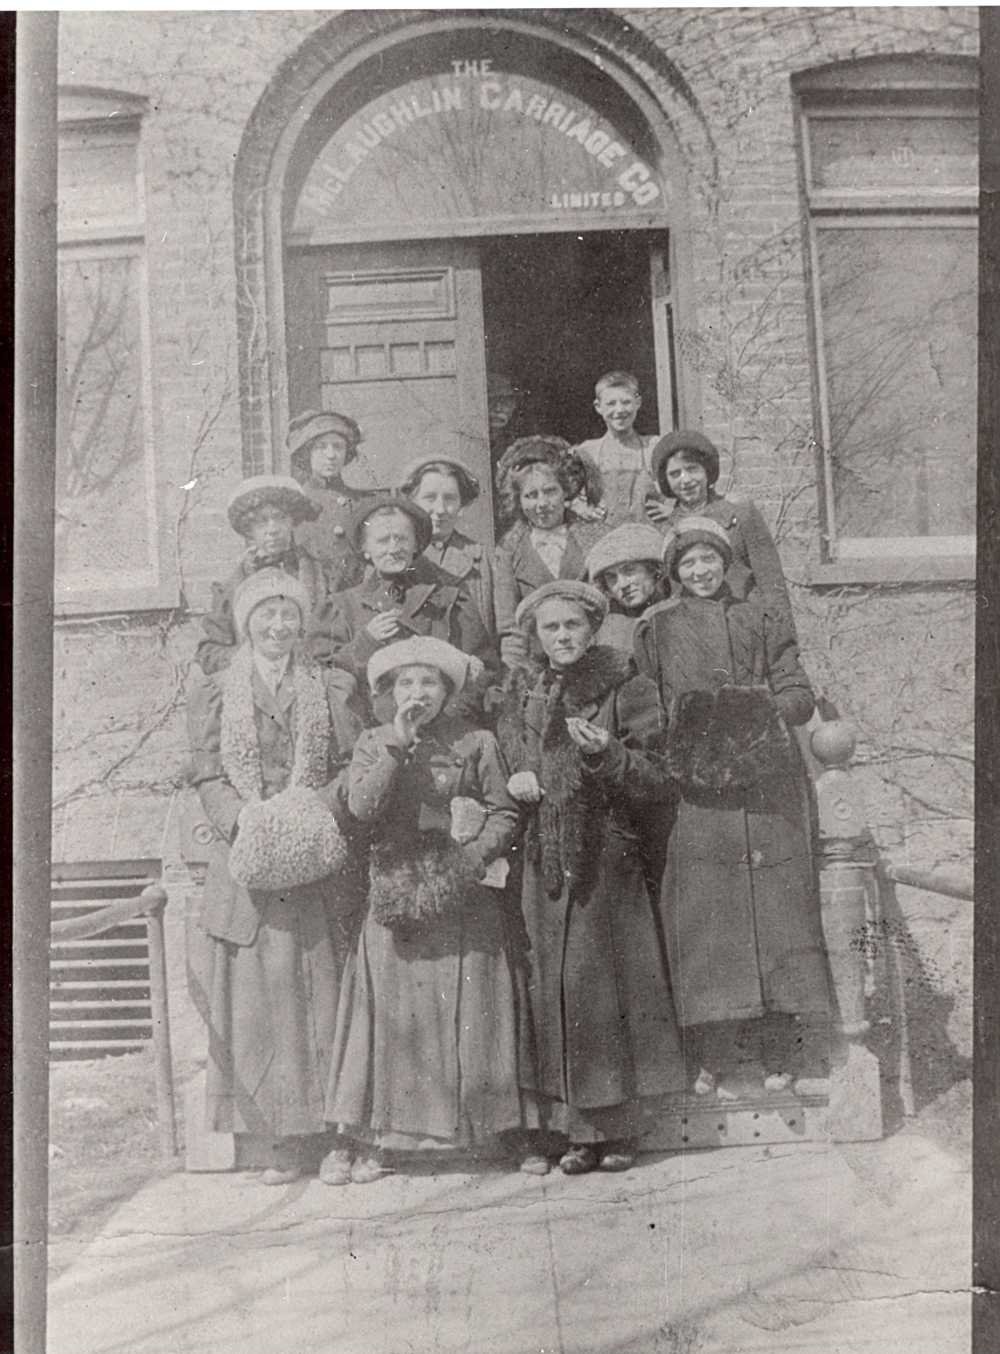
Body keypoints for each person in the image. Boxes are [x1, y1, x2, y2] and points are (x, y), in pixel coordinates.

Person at [322, 637, 536, 1183]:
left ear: (448, 690)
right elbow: (360, 810)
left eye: (429, 682)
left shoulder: (477, 741)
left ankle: (484, 1132)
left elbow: (504, 812)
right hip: (396, 892)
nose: (418, 693)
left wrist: (469, 861)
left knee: (470, 1012)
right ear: (389, 692)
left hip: (463, 892)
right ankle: (382, 1139)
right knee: (395, 1017)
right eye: (406, 683)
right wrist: (398, 743)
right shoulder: (374, 742)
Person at [634, 519, 834, 1099]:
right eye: (688, 564)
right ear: (674, 572)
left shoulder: (761, 617)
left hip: (767, 787)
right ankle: (713, 1057)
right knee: (709, 921)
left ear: (726, 564)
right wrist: (684, 731)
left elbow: (798, 691)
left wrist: (756, 709)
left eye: (709, 561)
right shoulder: (658, 628)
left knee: (775, 918)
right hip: (698, 796)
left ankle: (782, 1052)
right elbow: (645, 706)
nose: (700, 572)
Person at [496, 580, 685, 1175]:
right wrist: (522, 777)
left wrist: (608, 753)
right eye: (550, 629)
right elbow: (514, 755)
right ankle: (573, 1132)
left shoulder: (626, 687)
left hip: (606, 856)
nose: (562, 637)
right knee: (556, 988)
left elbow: (658, 777)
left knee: (604, 989)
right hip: (546, 857)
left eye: (572, 626)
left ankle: (619, 1128)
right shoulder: (526, 691)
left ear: (592, 628)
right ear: (537, 637)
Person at [186, 568, 367, 1184]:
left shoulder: (329, 687)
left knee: (323, 993)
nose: (279, 626)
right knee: (268, 1004)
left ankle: (336, 1136)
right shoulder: (215, 691)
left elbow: (347, 765)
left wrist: (311, 811)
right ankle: (284, 1140)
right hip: (249, 866)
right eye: (266, 615)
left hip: (314, 861)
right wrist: (244, 822)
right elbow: (207, 773)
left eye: (289, 614)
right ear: (245, 624)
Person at [307, 496, 498, 717]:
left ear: (416, 543)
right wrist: (365, 642)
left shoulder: (450, 600)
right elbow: (323, 676)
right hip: (373, 738)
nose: (393, 548)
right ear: (365, 548)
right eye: (382, 541)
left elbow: (484, 670)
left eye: (401, 539)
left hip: (442, 727)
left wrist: (448, 717)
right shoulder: (342, 606)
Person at [646, 430, 798, 644]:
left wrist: (784, 643)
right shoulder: (666, 529)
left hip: (746, 630)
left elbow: (771, 583)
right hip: (696, 638)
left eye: (692, 469)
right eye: (675, 474)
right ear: (665, 481)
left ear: (707, 470)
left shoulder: (741, 513)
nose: (686, 480)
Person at [196, 476, 331, 676]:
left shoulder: (319, 574)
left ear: (292, 521)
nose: (273, 529)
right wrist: (251, 661)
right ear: (248, 529)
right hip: (255, 684)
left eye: (280, 517)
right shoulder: (234, 585)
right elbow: (210, 651)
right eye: (261, 522)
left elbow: (334, 637)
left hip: (308, 675)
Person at [492, 436, 606, 668]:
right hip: (538, 668)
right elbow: (510, 629)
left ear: (566, 491)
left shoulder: (593, 538)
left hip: (594, 660)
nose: (541, 504)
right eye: (530, 496)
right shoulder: (508, 551)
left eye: (550, 491)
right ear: (519, 500)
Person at [398, 453, 496, 636]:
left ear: (461, 505)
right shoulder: (396, 558)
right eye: (429, 498)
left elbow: (511, 636)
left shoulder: (489, 560)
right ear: (413, 502)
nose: (441, 510)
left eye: (450, 499)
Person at [286, 409, 376, 591]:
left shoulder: (364, 503)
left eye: (338, 446)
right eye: (321, 447)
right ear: (307, 453)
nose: (331, 454)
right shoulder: (291, 505)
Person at [571, 371, 660, 529]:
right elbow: (569, 497)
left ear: (638, 403)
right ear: (598, 407)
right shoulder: (587, 452)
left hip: (647, 537)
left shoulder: (652, 447)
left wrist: (670, 509)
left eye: (626, 402)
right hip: (604, 539)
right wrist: (589, 511)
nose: (619, 410)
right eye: (611, 404)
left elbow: (674, 490)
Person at [585, 522, 670, 653]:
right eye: (612, 577)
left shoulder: (680, 610)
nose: (623, 584)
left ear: (652, 570)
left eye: (629, 570)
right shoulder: (606, 630)